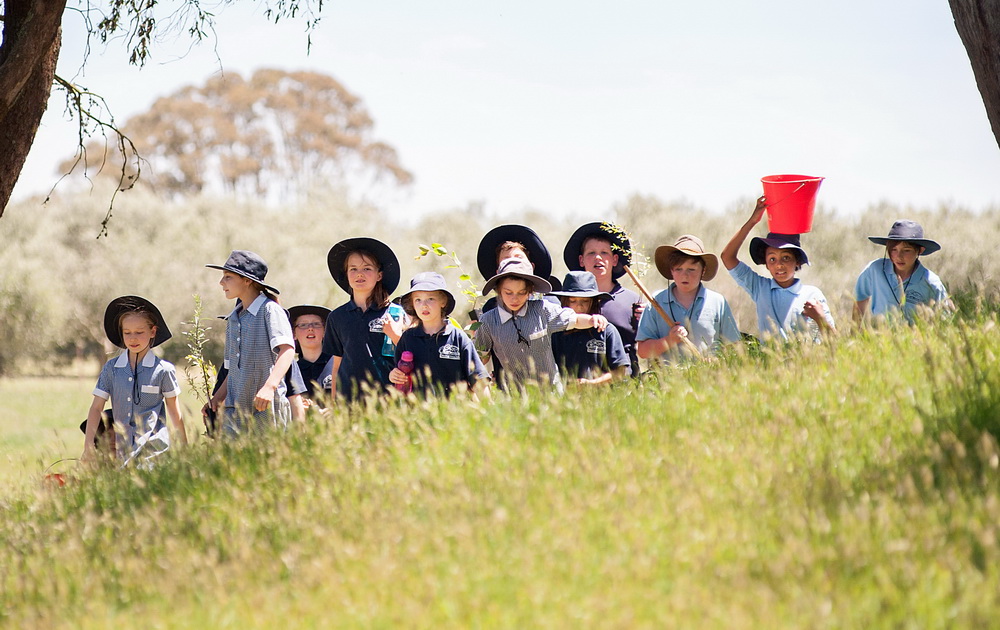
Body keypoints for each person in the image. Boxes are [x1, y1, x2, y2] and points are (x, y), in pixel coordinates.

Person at [474, 258, 609, 392]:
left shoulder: (543, 310)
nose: (514, 298)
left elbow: (575, 320)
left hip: (550, 392)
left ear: (530, 291)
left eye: (521, 293)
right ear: (498, 290)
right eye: (508, 293)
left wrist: (592, 320)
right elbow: (479, 357)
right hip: (513, 396)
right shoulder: (488, 321)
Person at [82, 296, 187, 465]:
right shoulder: (111, 369)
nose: (133, 338)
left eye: (139, 332)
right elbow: (96, 408)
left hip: (154, 452)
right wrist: (88, 447)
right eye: (127, 333)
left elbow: (174, 411)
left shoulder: (164, 370)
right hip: (121, 452)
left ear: (152, 332)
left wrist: (185, 449)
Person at [205, 250, 295, 436]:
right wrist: (218, 398)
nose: (221, 283)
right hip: (234, 411)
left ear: (247, 280)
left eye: (228, 277)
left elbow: (287, 350)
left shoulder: (270, 310)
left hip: (266, 408)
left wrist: (270, 387)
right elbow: (234, 370)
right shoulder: (233, 319)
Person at [721, 197, 835, 342]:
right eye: (772, 259)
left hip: (805, 363)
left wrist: (820, 318)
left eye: (786, 257)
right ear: (766, 264)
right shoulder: (760, 288)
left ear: (797, 261)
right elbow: (727, 257)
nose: (779, 265)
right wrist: (753, 221)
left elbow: (834, 342)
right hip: (770, 364)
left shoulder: (811, 294)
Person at [321, 237, 407, 401]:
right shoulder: (336, 317)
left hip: (389, 401)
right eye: (352, 269)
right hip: (349, 403)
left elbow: (412, 354)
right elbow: (337, 365)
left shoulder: (396, 313)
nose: (359, 273)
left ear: (379, 275)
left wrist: (396, 335)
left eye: (367, 268)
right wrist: (334, 405)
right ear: (346, 275)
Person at [636, 235, 741, 361]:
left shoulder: (717, 302)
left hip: (709, 378)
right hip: (667, 379)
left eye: (691, 269)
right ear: (671, 271)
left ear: (703, 270)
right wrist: (670, 340)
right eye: (678, 269)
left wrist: (717, 361)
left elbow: (734, 347)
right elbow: (642, 351)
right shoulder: (656, 301)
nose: (684, 275)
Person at [388, 272, 491, 397]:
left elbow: (478, 380)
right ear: (412, 305)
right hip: (419, 412)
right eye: (418, 300)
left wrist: (489, 407)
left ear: (443, 302)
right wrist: (394, 375)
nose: (424, 305)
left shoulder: (458, 338)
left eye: (430, 299)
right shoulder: (408, 338)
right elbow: (400, 374)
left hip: (454, 412)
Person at [563, 222, 644, 377]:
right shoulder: (568, 299)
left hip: (625, 388)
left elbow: (646, 344)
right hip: (577, 389)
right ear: (581, 260)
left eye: (604, 253)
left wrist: (650, 318)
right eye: (591, 253)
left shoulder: (633, 300)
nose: (598, 258)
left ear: (614, 260)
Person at [854, 220, 952, 323]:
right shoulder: (874, 270)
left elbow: (944, 319)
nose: (899, 256)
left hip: (914, 338)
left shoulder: (931, 282)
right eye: (894, 250)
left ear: (920, 250)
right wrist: (855, 332)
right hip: (880, 337)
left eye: (906, 250)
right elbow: (859, 298)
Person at [549, 271, 630, 385]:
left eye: (585, 301)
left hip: (600, 398)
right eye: (573, 300)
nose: (579, 305)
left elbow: (620, 370)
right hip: (561, 398)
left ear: (594, 302)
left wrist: (592, 384)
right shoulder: (555, 331)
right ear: (565, 301)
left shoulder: (606, 330)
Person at [288, 304, 333, 402]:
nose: (310, 328)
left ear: (325, 331)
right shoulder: (291, 371)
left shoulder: (338, 363)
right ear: (294, 334)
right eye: (303, 325)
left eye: (316, 324)